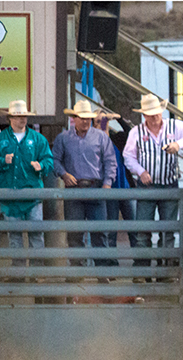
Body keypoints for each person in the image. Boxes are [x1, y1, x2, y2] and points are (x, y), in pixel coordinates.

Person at [123, 93, 183, 279]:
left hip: (168, 185)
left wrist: (178, 144)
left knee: (168, 230)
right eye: (150, 113)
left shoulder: (175, 127)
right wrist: (140, 171)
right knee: (143, 230)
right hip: (147, 186)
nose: (154, 116)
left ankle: (165, 271)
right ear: (144, 115)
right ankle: (143, 272)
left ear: (161, 112)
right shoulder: (136, 132)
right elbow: (128, 156)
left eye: (156, 112)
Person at [0, 100, 53, 275]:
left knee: (36, 233)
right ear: (10, 118)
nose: (21, 119)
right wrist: (2, 161)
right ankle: (19, 271)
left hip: (32, 194)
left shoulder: (38, 139)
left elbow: (49, 159)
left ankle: (37, 271)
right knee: (14, 235)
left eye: (23, 116)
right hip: (10, 194)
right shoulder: (0, 140)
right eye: (17, 116)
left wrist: (42, 165)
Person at [52, 100, 116, 280]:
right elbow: (55, 160)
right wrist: (64, 174)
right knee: (74, 232)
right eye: (82, 118)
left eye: (88, 118)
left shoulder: (101, 136)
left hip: (95, 187)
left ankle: (102, 272)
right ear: (74, 118)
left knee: (99, 232)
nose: (86, 121)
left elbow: (110, 161)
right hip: (74, 187)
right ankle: (77, 272)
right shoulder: (63, 138)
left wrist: (107, 184)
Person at [95, 109, 138, 265]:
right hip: (108, 190)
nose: (103, 124)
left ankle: (139, 263)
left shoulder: (117, 138)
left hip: (126, 188)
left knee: (135, 228)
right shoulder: (93, 142)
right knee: (110, 230)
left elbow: (133, 133)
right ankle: (111, 264)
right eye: (99, 122)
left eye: (105, 121)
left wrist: (119, 118)